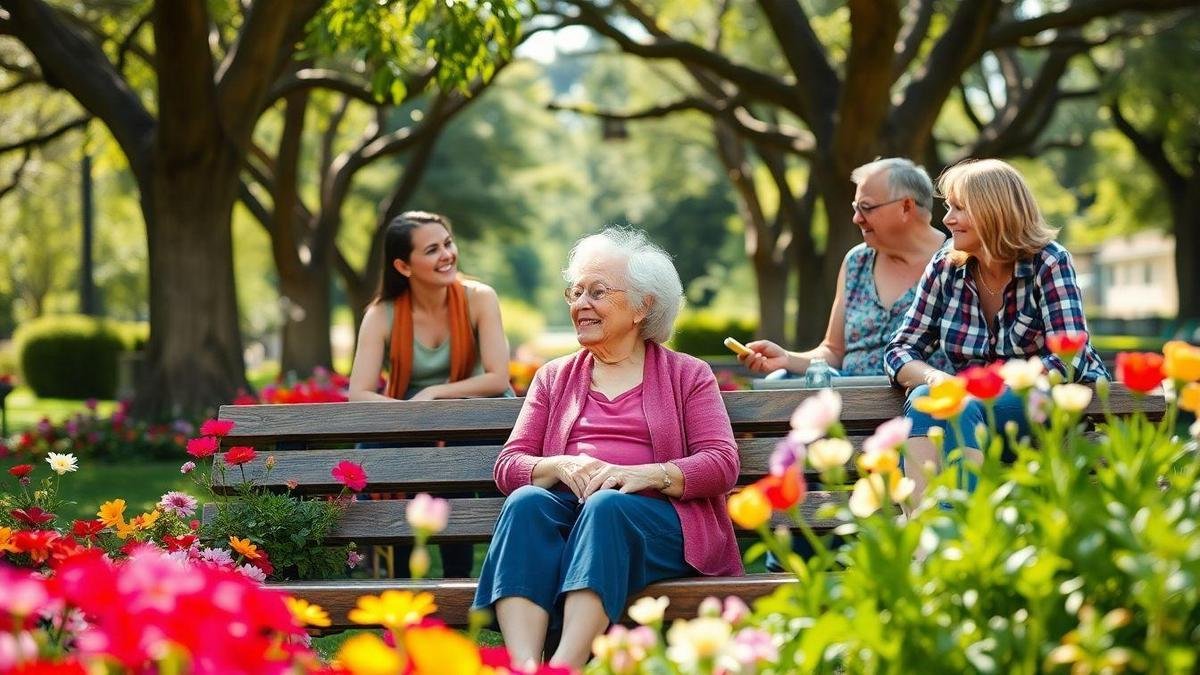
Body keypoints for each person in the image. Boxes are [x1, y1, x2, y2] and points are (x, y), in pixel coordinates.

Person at [473, 228, 742, 669]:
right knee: (525, 503)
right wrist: (556, 465)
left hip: (658, 525)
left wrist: (646, 474)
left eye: (597, 292)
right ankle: (525, 666)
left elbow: (721, 463)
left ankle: (564, 665)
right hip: (570, 515)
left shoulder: (687, 374)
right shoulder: (554, 377)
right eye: (575, 292)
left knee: (607, 508)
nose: (581, 304)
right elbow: (509, 465)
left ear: (643, 306)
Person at [884, 158, 1108, 501]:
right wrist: (934, 378)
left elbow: (1069, 359)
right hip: (970, 411)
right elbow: (899, 350)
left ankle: (957, 531)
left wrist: (988, 387)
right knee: (926, 398)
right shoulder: (946, 266)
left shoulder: (1048, 261)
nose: (947, 219)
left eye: (960, 208)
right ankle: (924, 528)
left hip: (1043, 404)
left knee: (961, 405)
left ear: (994, 211)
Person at [348, 211, 511, 578]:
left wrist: (435, 394)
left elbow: (497, 378)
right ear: (404, 266)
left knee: (456, 455)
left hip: (476, 426)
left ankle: (468, 583)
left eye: (448, 244)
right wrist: (414, 415)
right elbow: (359, 394)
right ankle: (403, 588)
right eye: (433, 249)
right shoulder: (381, 314)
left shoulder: (479, 298)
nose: (447, 255)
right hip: (413, 428)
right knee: (395, 462)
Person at [738, 158, 950, 378]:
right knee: (780, 378)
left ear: (906, 206)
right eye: (856, 208)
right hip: (849, 400)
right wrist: (786, 359)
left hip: (925, 397)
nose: (856, 218)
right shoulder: (857, 262)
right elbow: (834, 351)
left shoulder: (955, 262)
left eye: (866, 207)